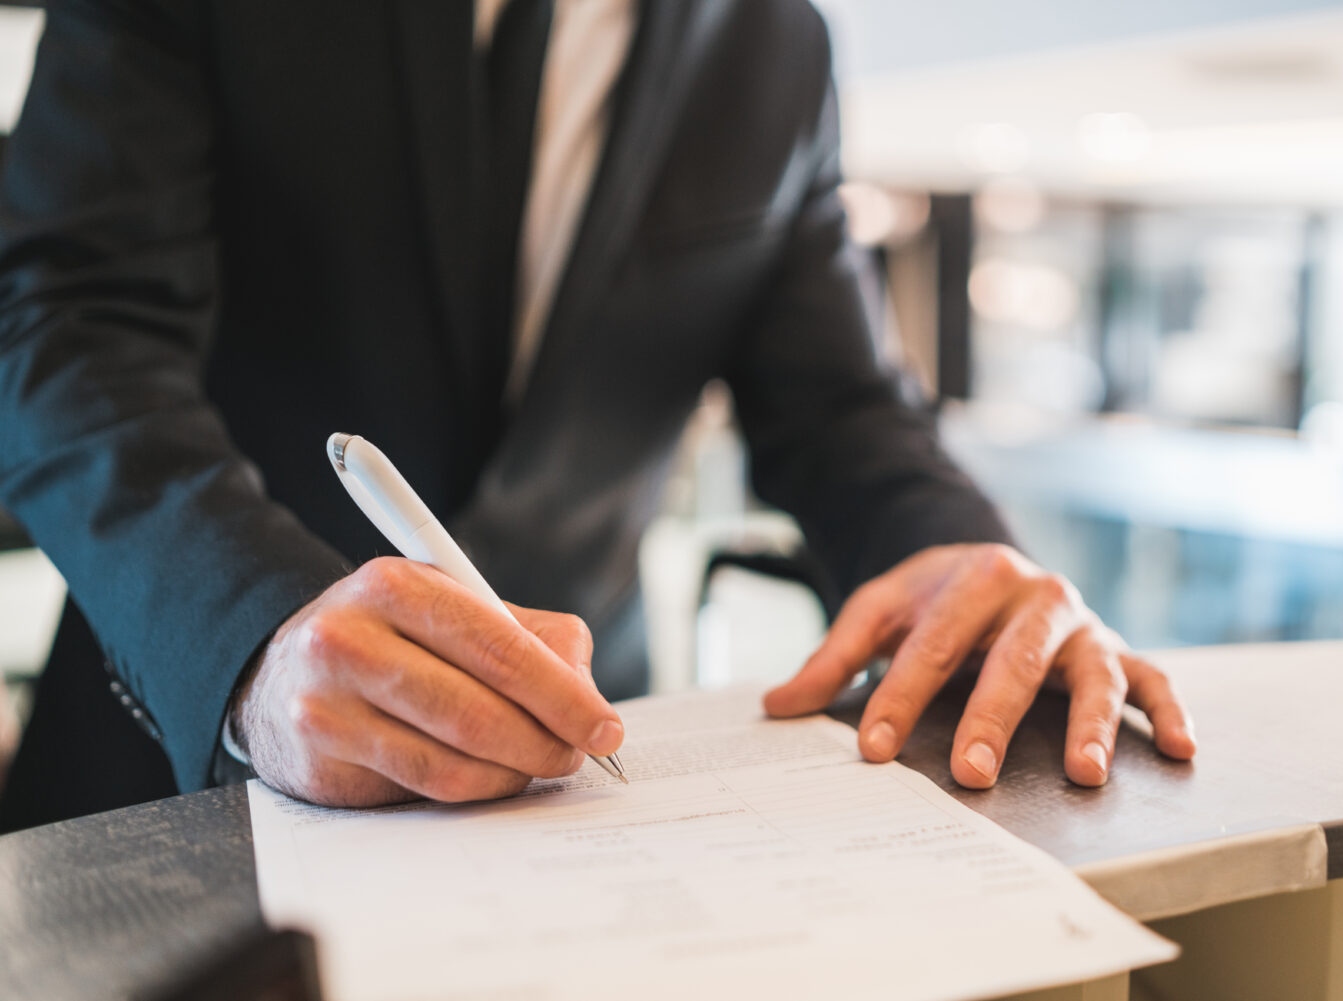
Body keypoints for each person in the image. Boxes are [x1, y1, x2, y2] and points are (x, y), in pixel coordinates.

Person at [0, 0, 1194, 830]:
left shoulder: (776, 43)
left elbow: (841, 410)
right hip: (179, 780)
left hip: (584, 790)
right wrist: (251, 640)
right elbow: (63, 321)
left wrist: (955, 558)